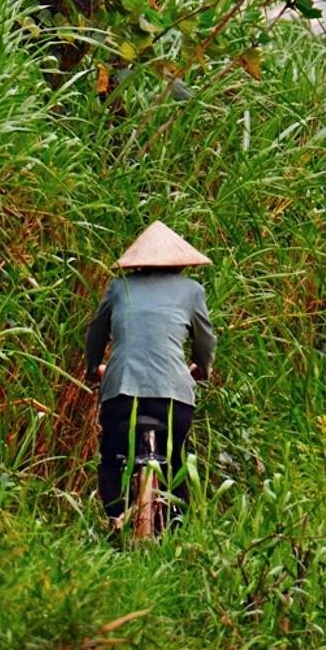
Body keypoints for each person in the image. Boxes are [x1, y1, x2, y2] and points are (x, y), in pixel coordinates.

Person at [85, 221, 216, 527]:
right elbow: (206, 340)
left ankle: (115, 519)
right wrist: (202, 369)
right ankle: (175, 525)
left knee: (112, 459)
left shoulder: (119, 287)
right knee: (177, 460)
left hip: (121, 392)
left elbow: (96, 332)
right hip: (174, 396)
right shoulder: (192, 291)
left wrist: (93, 368)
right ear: (181, 262)